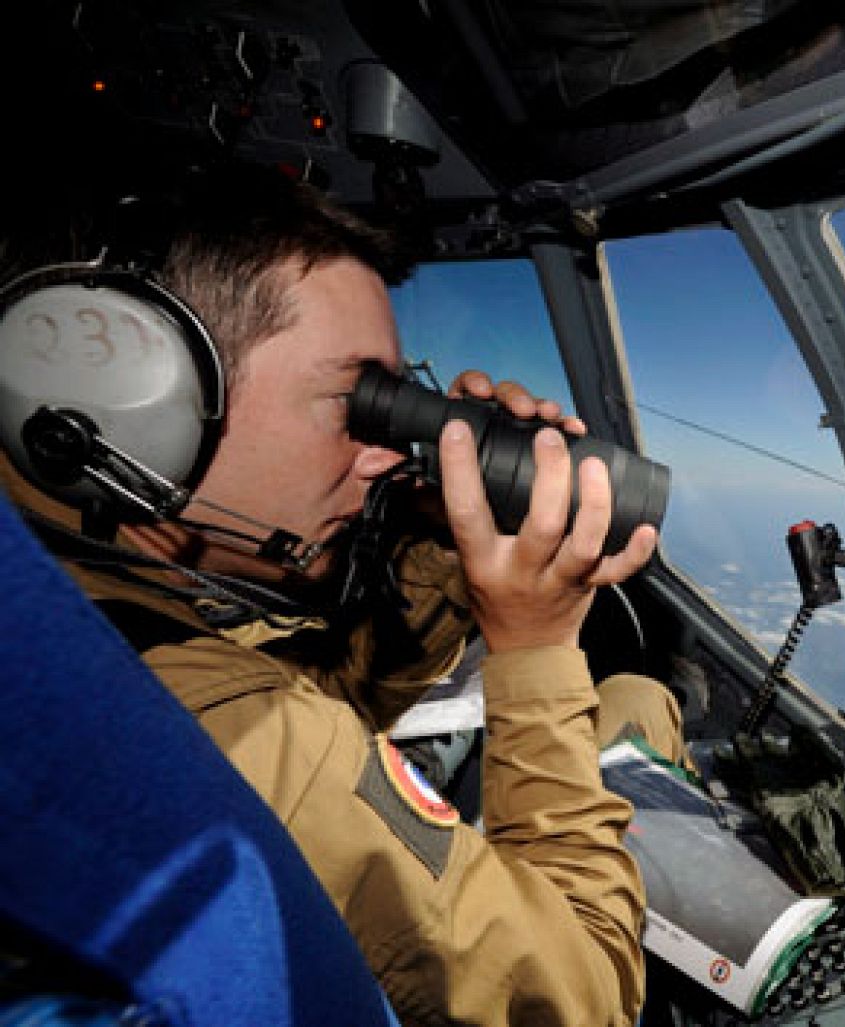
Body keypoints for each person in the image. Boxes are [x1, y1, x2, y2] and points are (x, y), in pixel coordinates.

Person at [0, 162, 687, 1025]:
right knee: (635, 706)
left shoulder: (77, 584)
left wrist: (444, 538)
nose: (391, 452)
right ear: (134, 402)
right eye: (359, 405)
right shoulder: (226, 730)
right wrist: (538, 649)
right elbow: (581, 994)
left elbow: (324, 694)